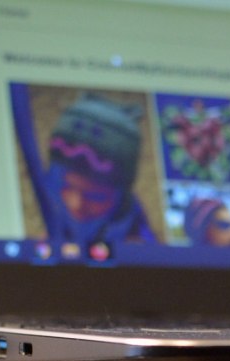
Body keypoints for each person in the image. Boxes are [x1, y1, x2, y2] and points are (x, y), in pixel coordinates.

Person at [12, 86, 157, 248]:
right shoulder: (56, 217)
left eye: (96, 197)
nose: (75, 204)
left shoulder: (137, 239)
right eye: (65, 186)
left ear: (120, 196)